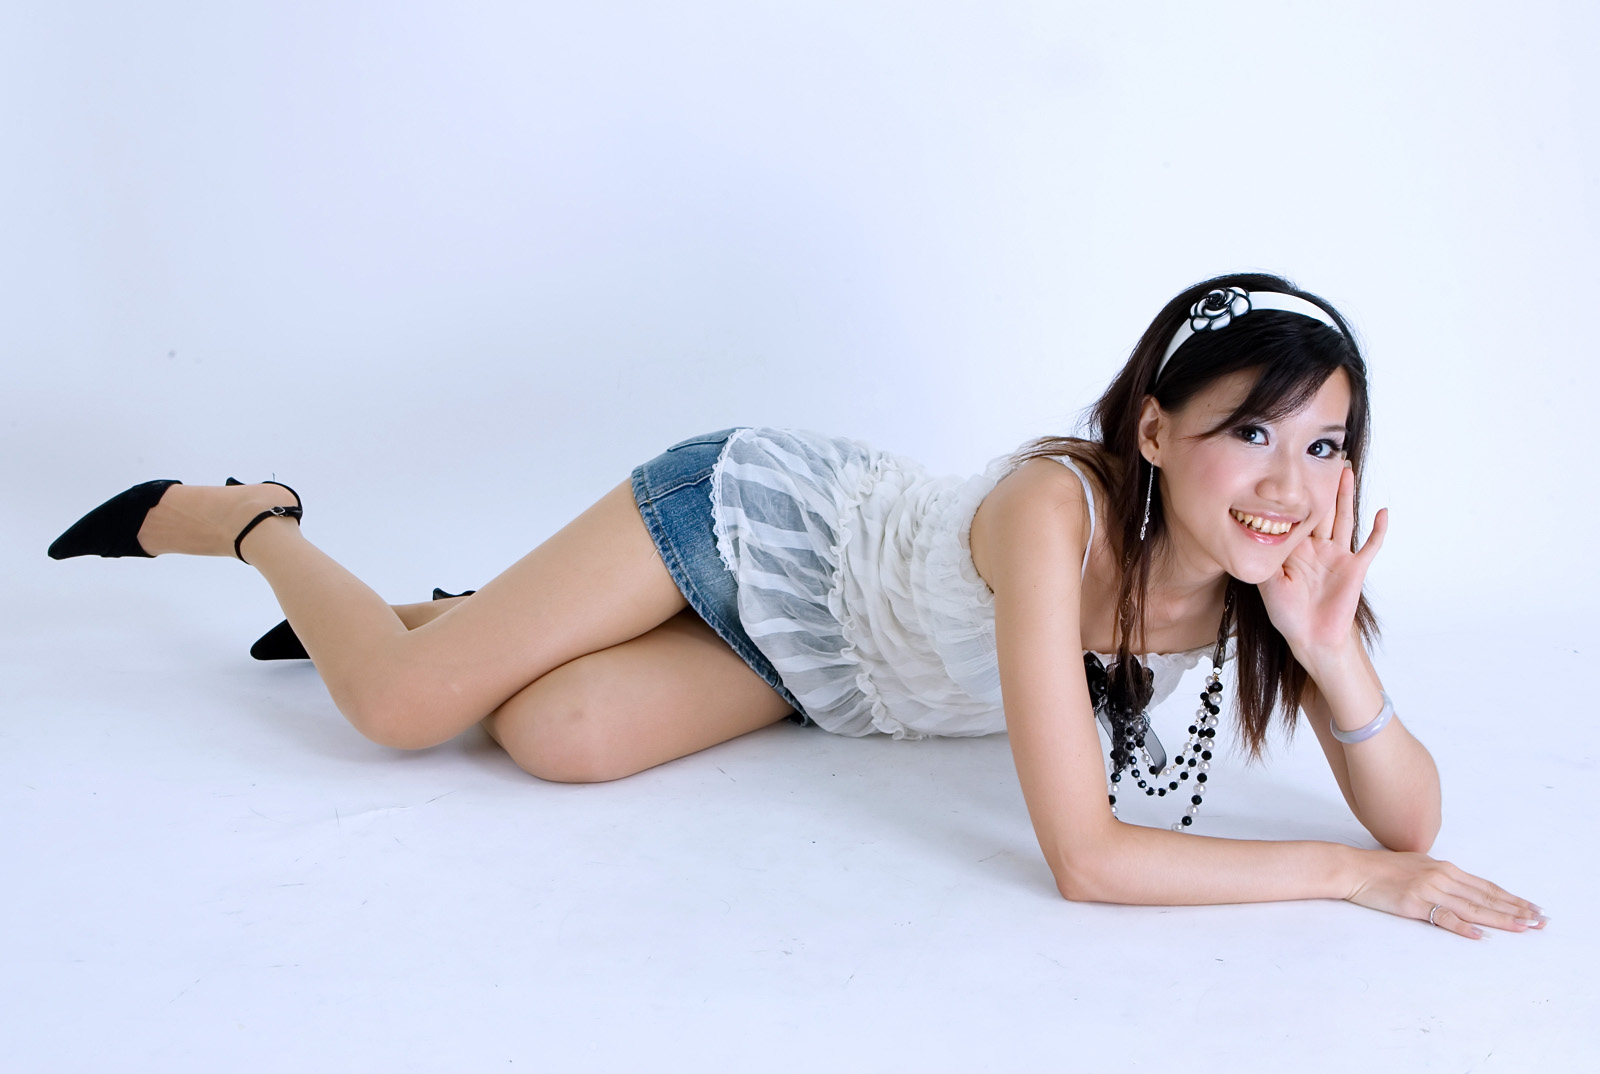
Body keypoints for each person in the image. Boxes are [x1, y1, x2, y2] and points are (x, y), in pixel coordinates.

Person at [49, 271, 1544, 940]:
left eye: (1326, 444)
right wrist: (1339, 882)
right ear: (1155, 429)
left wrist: (1332, 654)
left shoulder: (1279, 583)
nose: (1289, 481)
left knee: (557, 736)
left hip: (827, 672)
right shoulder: (1058, 510)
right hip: (752, 532)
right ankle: (254, 520)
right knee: (398, 708)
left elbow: (1411, 818)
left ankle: (466, 609)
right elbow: (1085, 860)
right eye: (1252, 431)